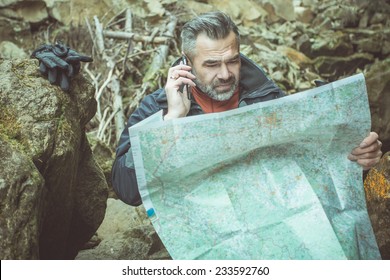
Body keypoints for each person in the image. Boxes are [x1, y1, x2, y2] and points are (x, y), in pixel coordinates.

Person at [111, 11, 383, 206]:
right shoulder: (156, 108)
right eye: (211, 64)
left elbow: (311, 168)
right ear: (186, 64)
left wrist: (357, 158)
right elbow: (127, 190)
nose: (226, 74)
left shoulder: (268, 100)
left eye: (233, 61)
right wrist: (170, 123)